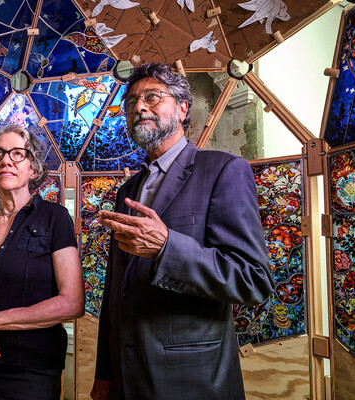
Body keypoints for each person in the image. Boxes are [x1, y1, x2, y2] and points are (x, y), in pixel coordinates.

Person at [90, 63, 274, 400]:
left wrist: (166, 247)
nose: (139, 107)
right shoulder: (127, 190)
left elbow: (253, 280)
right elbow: (116, 290)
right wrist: (105, 371)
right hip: (126, 378)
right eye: (130, 102)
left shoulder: (223, 170)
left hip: (192, 380)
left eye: (151, 97)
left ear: (182, 107)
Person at [0, 124, 84, 400]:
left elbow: (72, 302)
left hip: (31, 373)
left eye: (17, 154)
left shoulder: (55, 218)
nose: (5, 160)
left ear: (33, 170)